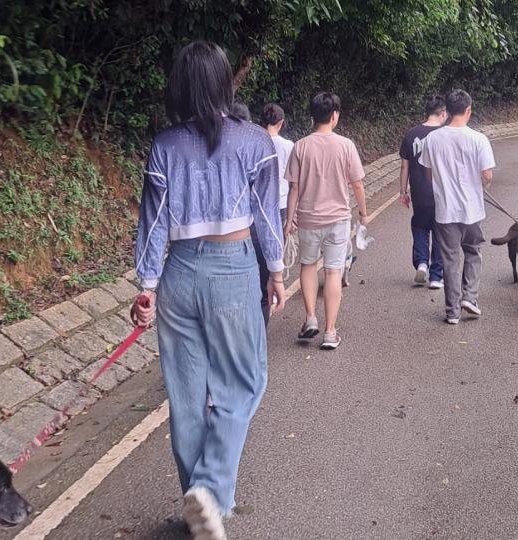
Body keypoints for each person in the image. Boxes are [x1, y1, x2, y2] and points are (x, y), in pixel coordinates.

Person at [131, 41, 286, 540]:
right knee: (245, 381)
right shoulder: (255, 142)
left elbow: (153, 223)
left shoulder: (164, 146)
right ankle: (211, 493)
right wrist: (278, 271)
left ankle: (200, 505)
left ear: (179, 87)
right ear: (225, 82)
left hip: (177, 273)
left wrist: (147, 286)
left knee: (186, 394)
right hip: (232, 269)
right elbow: (265, 216)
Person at [283, 91, 368, 350]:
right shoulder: (346, 145)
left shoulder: (300, 146)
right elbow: (358, 184)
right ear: (334, 116)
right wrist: (363, 215)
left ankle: (310, 318)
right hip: (338, 220)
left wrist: (289, 219)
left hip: (308, 219)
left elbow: (294, 189)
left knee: (308, 266)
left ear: (312, 117)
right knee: (333, 271)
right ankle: (330, 332)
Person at [419, 89, 496, 325]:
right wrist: (481, 185)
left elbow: (428, 172)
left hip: (445, 211)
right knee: (473, 251)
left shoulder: (431, 139)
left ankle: (452, 312)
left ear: (447, 111)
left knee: (450, 259)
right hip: (472, 210)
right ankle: (469, 297)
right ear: (468, 110)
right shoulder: (479, 139)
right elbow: (487, 174)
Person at [251, 103, 295, 325]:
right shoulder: (288, 145)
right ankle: (262, 317)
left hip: (253, 209)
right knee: (272, 259)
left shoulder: (252, 143)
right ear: (281, 123)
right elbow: (294, 181)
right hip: (280, 205)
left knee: (256, 258)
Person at [399, 96, 447, 289]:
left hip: (419, 192)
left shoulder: (412, 134)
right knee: (440, 232)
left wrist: (403, 191)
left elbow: (404, 166)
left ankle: (421, 263)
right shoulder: (445, 134)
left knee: (419, 227)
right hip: (442, 193)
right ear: (443, 113)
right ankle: (436, 276)